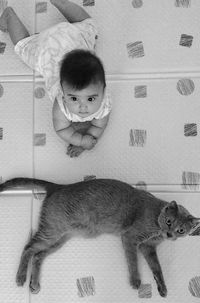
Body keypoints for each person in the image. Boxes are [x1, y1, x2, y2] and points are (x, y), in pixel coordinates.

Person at [0, 0, 111, 157]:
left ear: (103, 90)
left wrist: (87, 140)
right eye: (73, 98)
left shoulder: (105, 102)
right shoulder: (61, 105)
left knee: (87, 24)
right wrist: (80, 141)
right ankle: (9, 16)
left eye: (91, 99)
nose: (82, 107)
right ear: (63, 93)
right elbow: (61, 129)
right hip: (48, 48)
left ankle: (61, 3)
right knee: (23, 46)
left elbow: (99, 125)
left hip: (73, 37)